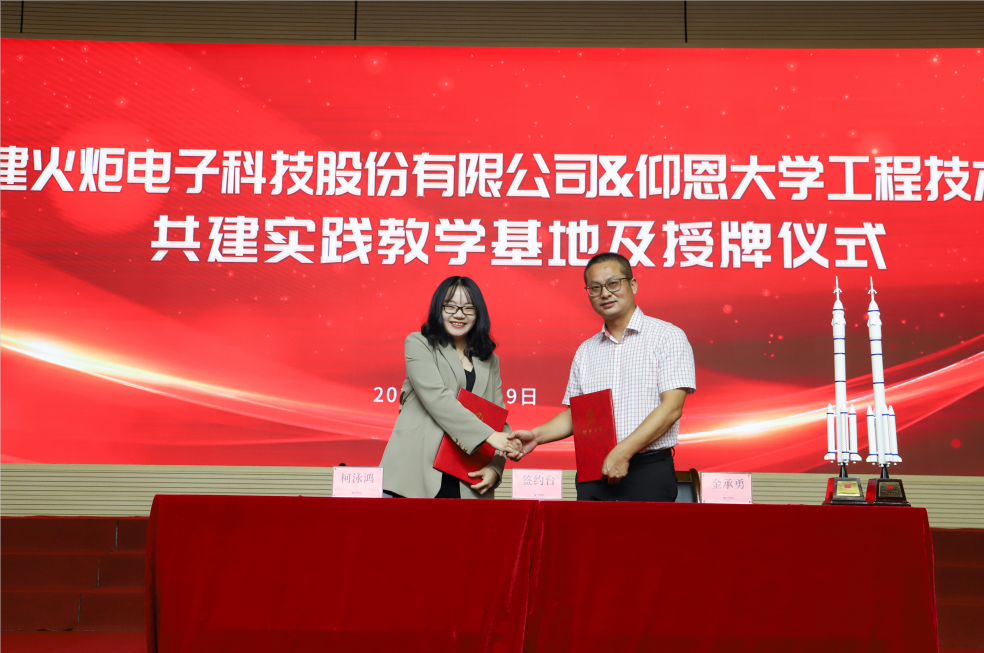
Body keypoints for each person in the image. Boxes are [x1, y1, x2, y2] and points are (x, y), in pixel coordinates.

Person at [507, 252, 696, 502]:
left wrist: (622, 453)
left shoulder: (667, 337)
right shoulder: (586, 351)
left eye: (613, 284)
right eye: (595, 288)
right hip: (594, 472)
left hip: (648, 471)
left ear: (632, 284)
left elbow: (672, 408)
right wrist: (536, 436)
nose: (605, 293)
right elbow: (576, 416)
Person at [380, 276, 520, 498]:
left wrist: (496, 467)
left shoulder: (489, 359)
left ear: (478, 313)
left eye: (468, 308)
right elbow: (438, 399)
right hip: (413, 473)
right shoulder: (419, 343)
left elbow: (497, 419)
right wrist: (489, 436)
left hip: (467, 478)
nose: (459, 314)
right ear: (439, 309)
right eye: (450, 306)